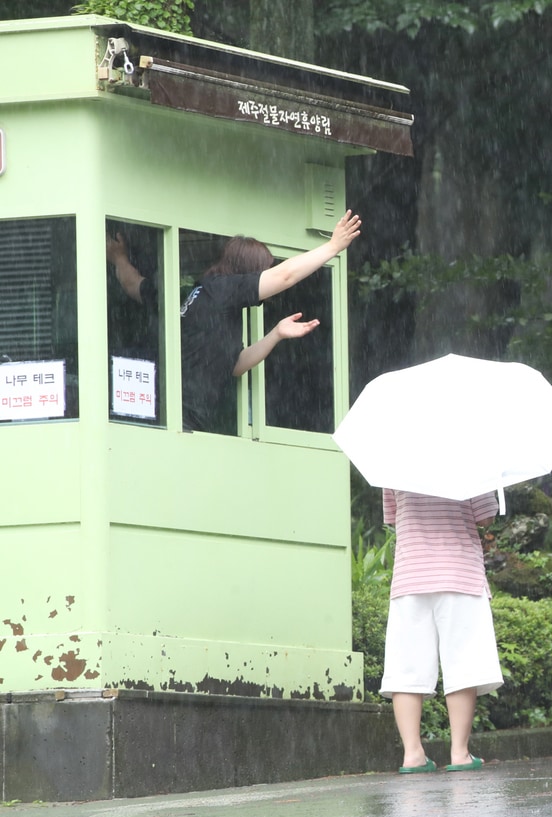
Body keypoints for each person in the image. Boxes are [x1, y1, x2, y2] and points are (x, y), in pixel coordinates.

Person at [109, 210, 361, 434]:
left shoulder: (201, 293)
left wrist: (276, 334)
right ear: (249, 272)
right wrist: (332, 247)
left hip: (180, 416)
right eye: (263, 270)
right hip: (180, 417)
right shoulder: (223, 290)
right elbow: (284, 276)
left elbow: (235, 365)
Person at [381, 488, 504, 773]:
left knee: (407, 667)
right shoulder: (467, 453)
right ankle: (459, 753)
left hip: (410, 574)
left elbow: (395, 517)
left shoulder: (390, 455)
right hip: (459, 572)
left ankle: (413, 754)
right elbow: (485, 517)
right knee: (462, 662)